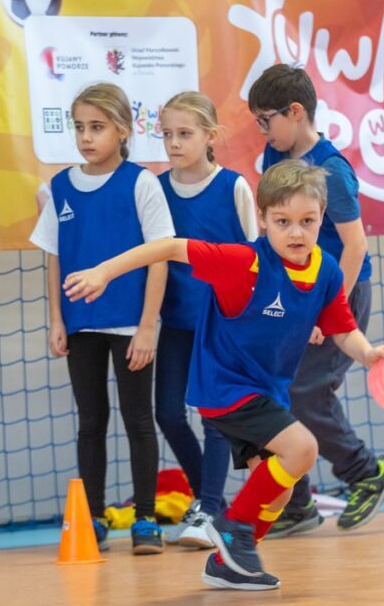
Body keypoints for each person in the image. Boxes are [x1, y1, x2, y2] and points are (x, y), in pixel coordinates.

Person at [62, 160, 384, 590]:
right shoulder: (243, 262)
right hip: (225, 387)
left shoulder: (326, 269)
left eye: (307, 221)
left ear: (322, 218)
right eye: (283, 221)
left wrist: (367, 354)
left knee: (283, 489)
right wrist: (104, 271)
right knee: (303, 449)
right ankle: (234, 531)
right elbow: (167, 246)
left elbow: (341, 326)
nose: (295, 232)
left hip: (267, 392)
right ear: (264, 218)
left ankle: (228, 562)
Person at [249, 64, 384, 537]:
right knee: (276, 392)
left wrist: (323, 307)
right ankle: (297, 503)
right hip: (296, 299)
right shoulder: (274, 161)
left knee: (305, 392)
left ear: (295, 112)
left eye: (265, 119)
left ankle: (365, 473)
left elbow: (355, 247)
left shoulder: (331, 171)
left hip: (340, 296)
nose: (262, 130)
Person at [29, 82, 173, 555]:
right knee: (90, 420)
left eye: (97, 127)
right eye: (79, 127)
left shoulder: (142, 182)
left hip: (132, 325)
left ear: (123, 131)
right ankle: (91, 515)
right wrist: (56, 318)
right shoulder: (60, 187)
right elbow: (53, 257)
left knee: (138, 419)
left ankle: (146, 519)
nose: (86, 137)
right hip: (81, 325)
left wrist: (149, 325)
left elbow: (160, 257)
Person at [155, 92, 259, 549]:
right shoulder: (154, 189)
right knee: (168, 413)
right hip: (175, 321)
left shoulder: (233, 187)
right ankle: (207, 499)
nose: (174, 144)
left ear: (210, 136)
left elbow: (258, 257)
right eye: (167, 135)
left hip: (222, 324)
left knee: (215, 417)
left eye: (184, 134)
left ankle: (210, 508)